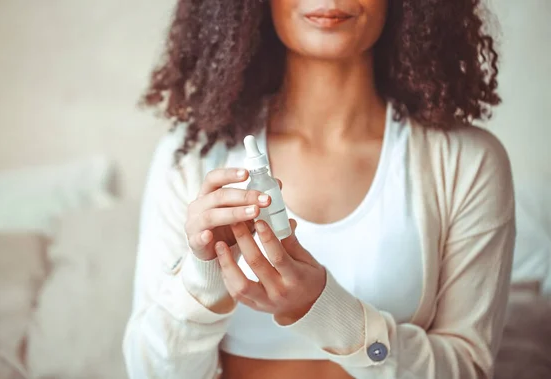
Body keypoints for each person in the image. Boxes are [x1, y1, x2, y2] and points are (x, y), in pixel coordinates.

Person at [123, 0, 516, 378]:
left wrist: (324, 310)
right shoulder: (192, 157)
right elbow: (149, 372)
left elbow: (468, 371)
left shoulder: (467, 162)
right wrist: (201, 280)